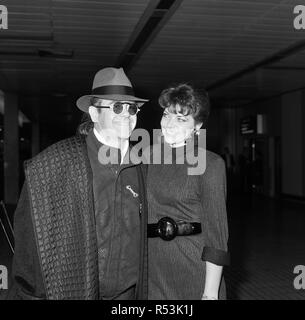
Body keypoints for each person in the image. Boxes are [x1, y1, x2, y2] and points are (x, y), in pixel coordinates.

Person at [7, 67, 149, 300]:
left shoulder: (142, 167)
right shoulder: (54, 165)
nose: (126, 114)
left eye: (131, 107)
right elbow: (29, 245)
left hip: (127, 296)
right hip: (75, 292)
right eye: (116, 106)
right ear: (94, 114)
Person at [147, 83, 230, 300]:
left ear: (197, 125)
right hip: (152, 268)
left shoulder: (209, 163)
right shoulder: (147, 158)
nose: (169, 124)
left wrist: (210, 294)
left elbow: (217, 234)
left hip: (192, 268)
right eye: (167, 115)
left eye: (181, 118)